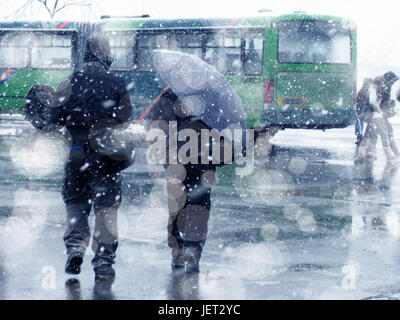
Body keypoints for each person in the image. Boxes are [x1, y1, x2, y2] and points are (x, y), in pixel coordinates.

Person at [51, 36, 133, 281]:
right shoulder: (117, 82)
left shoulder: (69, 82)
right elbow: (125, 117)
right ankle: (104, 262)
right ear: (106, 56)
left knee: (76, 202)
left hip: (76, 154)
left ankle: (76, 246)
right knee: (106, 209)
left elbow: (55, 116)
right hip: (107, 155)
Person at [146, 89, 223, 274]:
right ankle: (193, 249)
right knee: (200, 204)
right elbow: (223, 127)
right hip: (204, 158)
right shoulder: (212, 95)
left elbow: (154, 127)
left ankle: (178, 251)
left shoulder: (170, 94)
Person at [358, 72, 399, 161]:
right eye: (392, 81)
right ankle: (389, 153)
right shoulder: (375, 89)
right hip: (372, 114)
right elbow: (373, 102)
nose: (383, 85)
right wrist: (380, 110)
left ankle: (365, 152)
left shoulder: (376, 89)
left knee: (370, 133)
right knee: (384, 132)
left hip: (370, 114)